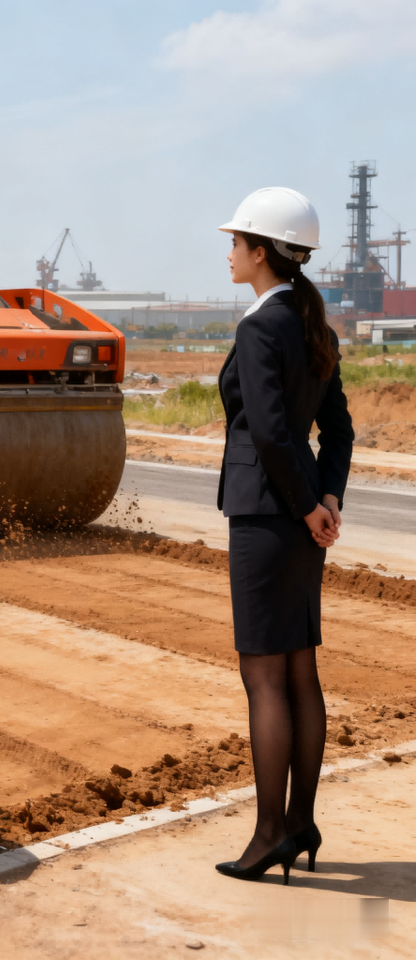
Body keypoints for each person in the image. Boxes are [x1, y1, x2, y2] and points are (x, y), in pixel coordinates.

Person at [214, 187, 354, 884]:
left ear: (262, 252)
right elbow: (339, 430)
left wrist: (304, 507)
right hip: (299, 519)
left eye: (237, 242)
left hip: (269, 516)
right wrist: (325, 498)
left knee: (264, 676)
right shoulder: (312, 325)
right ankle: (299, 823)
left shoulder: (260, 326)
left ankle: (272, 833)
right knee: (300, 671)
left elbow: (269, 433)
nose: (230, 252)